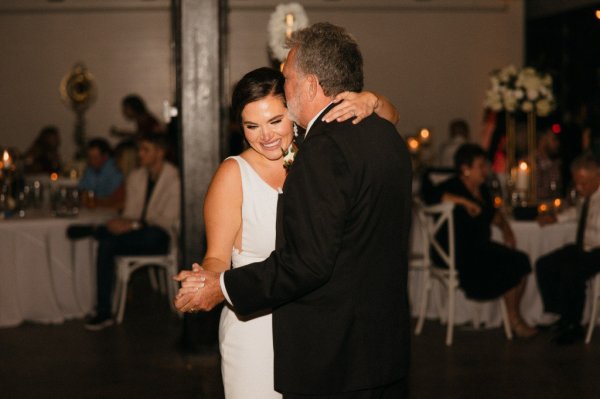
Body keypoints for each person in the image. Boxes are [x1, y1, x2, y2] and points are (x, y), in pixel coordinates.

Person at [175, 23, 411, 398]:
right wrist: (211, 281)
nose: (265, 135)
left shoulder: (320, 152)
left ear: (296, 107)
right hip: (255, 323)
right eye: (252, 125)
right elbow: (218, 256)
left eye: (274, 120)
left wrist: (369, 98)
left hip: (318, 333)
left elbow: (310, 260)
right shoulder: (234, 173)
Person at [423, 143, 537, 338]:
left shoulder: (482, 190)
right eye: (481, 166)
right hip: (457, 252)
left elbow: (493, 215)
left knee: (520, 260)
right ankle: (514, 319)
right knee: (510, 263)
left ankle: (513, 316)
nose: (486, 170)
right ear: (465, 169)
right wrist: (465, 202)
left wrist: (506, 228)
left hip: (479, 248)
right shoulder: (453, 186)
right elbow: (428, 194)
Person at [83, 133, 180, 330]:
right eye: (139, 150)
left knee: (108, 241)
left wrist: (133, 225)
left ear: (160, 153)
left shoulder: (174, 178)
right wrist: (122, 223)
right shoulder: (137, 176)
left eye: (145, 150)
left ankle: (104, 312)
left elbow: (166, 219)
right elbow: (131, 212)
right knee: (108, 241)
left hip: (160, 235)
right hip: (138, 231)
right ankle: (103, 312)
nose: (139, 154)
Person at [536, 153, 600, 345]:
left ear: (598, 176)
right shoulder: (587, 196)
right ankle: (560, 315)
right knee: (545, 264)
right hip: (583, 246)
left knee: (571, 272)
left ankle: (574, 324)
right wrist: (556, 218)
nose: (579, 188)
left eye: (584, 183)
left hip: (598, 248)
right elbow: (578, 211)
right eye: (577, 183)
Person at [78, 138, 124, 208]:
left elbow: (116, 200)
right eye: (90, 158)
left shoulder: (115, 171)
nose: (92, 161)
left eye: (95, 158)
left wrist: (95, 200)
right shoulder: (89, 170)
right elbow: (82, 190)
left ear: (105, 157)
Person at [535, 124, 562, 201]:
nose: (557, 144)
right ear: (542, 141)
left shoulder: (556, 164)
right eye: (554, 140)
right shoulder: (529, 163)